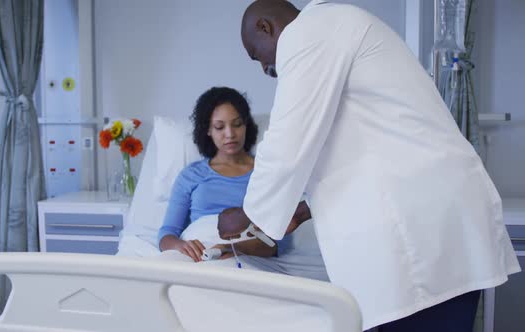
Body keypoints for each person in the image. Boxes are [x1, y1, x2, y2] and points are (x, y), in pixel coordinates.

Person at [217, 1, 521, 331]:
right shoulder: (337, 28)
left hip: (420, 229)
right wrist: (303, 210)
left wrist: (251, 215)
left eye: (257, 55)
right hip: (438, 218)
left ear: (266, 27)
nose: (265, 67)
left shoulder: (309, 32)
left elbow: (287, 142)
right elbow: (363, 150)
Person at [158, 86, 290, 262]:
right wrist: (180, 246)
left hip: (249, 255)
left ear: (246, 125)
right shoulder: (191, 175)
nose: (230, 134)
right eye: (219, 127)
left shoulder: (266, 172)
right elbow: (167, 233)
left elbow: (279, 240)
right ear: (208, 130)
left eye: (237, 124)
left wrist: (233, 248)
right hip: (198, 255)